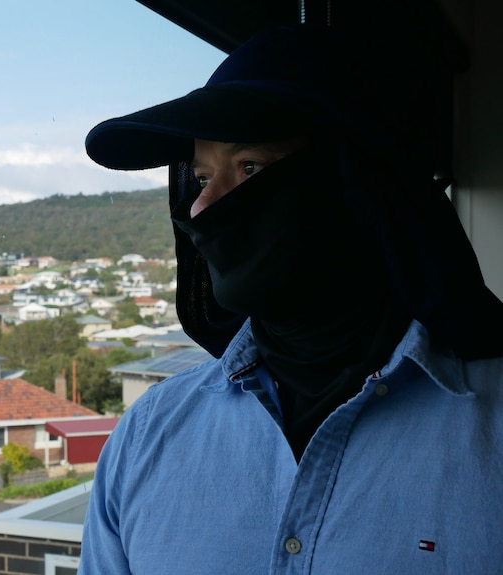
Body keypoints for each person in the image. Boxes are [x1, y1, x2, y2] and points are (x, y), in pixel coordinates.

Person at [78, 24, 503, 574]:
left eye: (250, 167)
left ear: (361, 182)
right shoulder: (148, 434)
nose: (203, 209)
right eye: (201, 175)